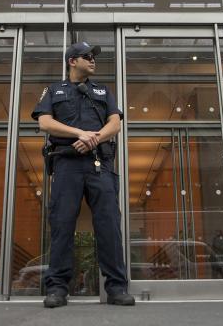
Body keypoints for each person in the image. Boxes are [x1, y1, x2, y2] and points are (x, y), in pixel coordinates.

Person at [31, 42, 135, 308]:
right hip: (66, 164)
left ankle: (116, 288)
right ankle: (57, 288)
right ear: (72, 61)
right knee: (62, 224)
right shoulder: (55, 90)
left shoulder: (102, 90)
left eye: (93, 57)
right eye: (87, 57)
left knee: (109, 225)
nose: (93, 61)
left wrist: (94, 138)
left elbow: (115, 123)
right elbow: (44, 122)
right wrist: (80, 133)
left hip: (99, 162)